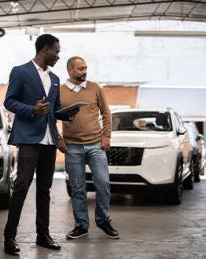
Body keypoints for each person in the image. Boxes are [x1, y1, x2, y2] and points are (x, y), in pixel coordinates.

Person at [3, 34, 77, 255]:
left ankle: (42, 235)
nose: (58, 55)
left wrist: (66, 114)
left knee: (45, 190)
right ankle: (9, 237)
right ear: (45, 49)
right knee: (21, 187)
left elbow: (53, 110)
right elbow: (9, 101)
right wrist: (31, 110)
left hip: (49, 140)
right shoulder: (20, 71)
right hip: (28, 138)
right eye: (56, 51)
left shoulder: (54, 79)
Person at [58, 56, 119, 240]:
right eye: (80, 68)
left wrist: (107, 136)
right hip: (72, 147)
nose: (84, 71)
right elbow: (50, 117)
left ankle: (103, 220)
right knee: (78, 188)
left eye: (85, 68)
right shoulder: (59, 92)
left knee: (103, 183)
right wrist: (59, 140)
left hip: (95, 145)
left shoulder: (95, 88)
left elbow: (106, 112)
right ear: (70, 70)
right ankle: (81, 225)